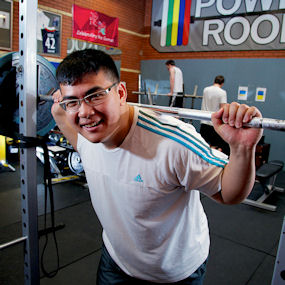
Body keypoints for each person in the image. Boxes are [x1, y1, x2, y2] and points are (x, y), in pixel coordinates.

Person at [51, 49, 263, 285]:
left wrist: (242, 149)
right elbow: (60, 114)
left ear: (121, 93)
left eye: (96, 95)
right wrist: (61, 106)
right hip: (115, 261)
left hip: (174, 273)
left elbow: (228, 193)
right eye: (73, 101)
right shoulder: (85, 136)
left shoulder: (173, 143)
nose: (85, 113)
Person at [200, 75, 230, 155]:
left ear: (214, 81)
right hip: (214, 124)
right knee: (217, 148)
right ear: (222, 83)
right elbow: (222, 108)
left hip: (204, 122)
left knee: (203, 146)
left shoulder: (205, 90)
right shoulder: (222, 92)